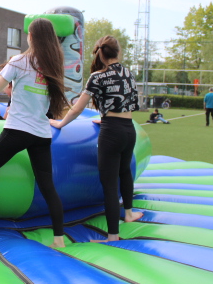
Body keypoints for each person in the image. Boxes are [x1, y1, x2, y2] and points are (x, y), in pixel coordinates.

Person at [0, 18, 68, 249]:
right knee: (47, 186)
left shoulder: (19, 61)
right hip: (40, 133)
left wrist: (9, 85)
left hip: (17, 130)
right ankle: (59, 238)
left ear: (31, 37)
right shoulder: (53, 65)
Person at [49, 35, 143, 242]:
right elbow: (132, 102)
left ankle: (112, 236)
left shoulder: (98, 77)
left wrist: (60, 123)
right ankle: (128, 213)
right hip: (129, 129)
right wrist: (109, 117)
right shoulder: (129, 73)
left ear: (100, 53)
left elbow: (78, 108)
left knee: (109, 184)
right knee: (125, 171)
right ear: (118, 52)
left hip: (111, 132)